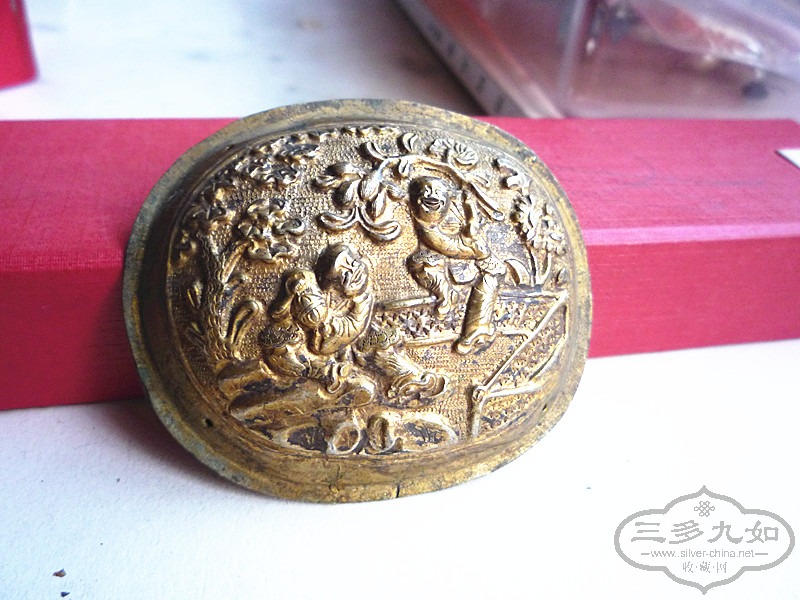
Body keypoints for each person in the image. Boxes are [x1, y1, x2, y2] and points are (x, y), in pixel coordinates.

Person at [407, 176, 506, 354]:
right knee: (424, 262)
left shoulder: (464, 230)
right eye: (426, 191)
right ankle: (457, 308)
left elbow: (469, 227)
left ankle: (478, 327)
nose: (431, 194)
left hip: (474, 257)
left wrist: (469, 204)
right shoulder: (425, 225)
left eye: (437, 192)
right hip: (449, 256)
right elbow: (444, 244)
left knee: (494, 274)